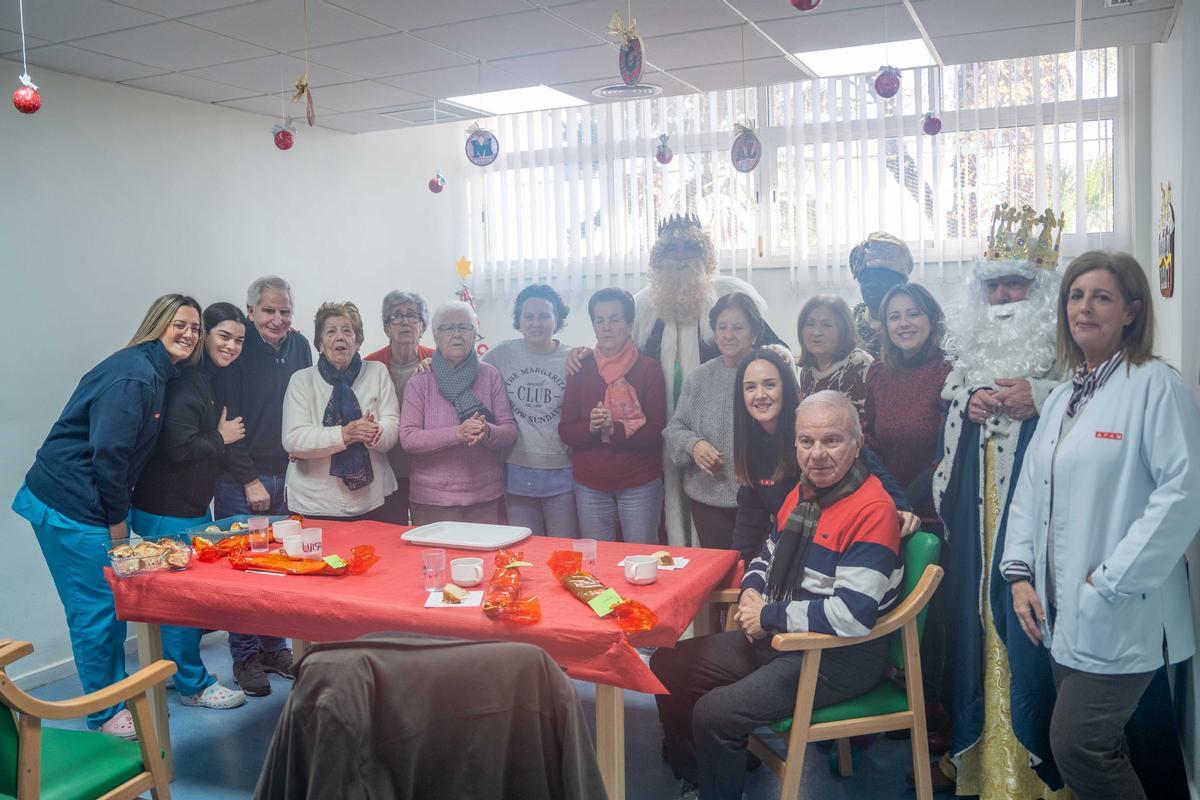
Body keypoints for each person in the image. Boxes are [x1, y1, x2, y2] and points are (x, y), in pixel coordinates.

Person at [1001, 251, 1200, 800]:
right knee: (1116, 747)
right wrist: (1019, 576)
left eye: (1101, 296)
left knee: (1079, 747)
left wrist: (1110, 580)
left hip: (1121, 605)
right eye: (1075, 295)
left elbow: (1182, 494)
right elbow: (1030, 493)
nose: (1083, 307)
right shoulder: (1064, 396)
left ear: (1132, 311)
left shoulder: (1155, 386)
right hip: (1061, 609)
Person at [652, 391, 903, 800]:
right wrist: (751, 592)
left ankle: (720, 777)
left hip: (837, 657)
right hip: (784, 638)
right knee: (667, 665)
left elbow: (854, 615)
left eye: (831, 440)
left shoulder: (874, 509)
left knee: (715, 714)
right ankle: (698, 777)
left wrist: (768, 615)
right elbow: (766, 554)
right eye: (806, 441)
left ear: (857, 445)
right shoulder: (803, 493)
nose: (816, 454)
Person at [12, 294, 202, 738]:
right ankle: (103, 714)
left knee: (109, 609)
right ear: (157, 323)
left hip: (84, 503)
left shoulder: (153, 371)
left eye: (195, 327)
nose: (189, 334)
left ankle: (117, 701)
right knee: (94, 611)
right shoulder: (135, 377)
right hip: (68, 507)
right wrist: (119, 521)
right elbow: (110, 456)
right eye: (180, 324)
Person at [932, 205, 1068, 797]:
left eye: (1018, 283)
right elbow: (951, 434)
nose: (1006, 295)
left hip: (1046, 531)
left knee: (1036, 629)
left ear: (1042, 292)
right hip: (982, 524)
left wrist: (1042, 396)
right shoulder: (965, 368)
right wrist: (970, 408)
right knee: (982, 625)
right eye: (995, 284)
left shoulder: (1069, 361)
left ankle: (1042, 777)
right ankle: (986, 766)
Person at [630, 213, 785, 546]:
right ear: (659, 257)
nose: (682, 256)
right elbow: (618, 358)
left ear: (704, 254)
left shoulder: (729, 299)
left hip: (727, 449)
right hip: (667, 431)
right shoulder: (643, 307)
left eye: (689, 247)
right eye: (672, 249)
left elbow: (773, 351)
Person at [130, 302, 251, 711]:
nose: (232, 346)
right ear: (205, 336)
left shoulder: (206, 379)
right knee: (183, 602)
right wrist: (223, 438)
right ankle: (194, 685)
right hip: (169, 506)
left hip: (180, 504)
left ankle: (173, 671)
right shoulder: (190, 381)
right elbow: (178, 447)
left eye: (239, 340)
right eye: (224, 336)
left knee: (177, 601)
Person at [731, 348, 917, 566]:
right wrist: (736, 564)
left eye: (770, 384)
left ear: (786, 387)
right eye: (750, 387)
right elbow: (751, 518)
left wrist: (902, 506)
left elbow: (867, 463)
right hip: (793, 546)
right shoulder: (751, 443)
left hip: (840, 547)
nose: (760, 394)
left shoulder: (810, 427)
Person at [215, 275, 311, 697]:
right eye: (269, 310)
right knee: (245, 571)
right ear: (251, 310)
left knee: (281, 568)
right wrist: (250, 478)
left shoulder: (300, 346)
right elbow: (226, 422)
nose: (277, 319)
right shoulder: (237, 349)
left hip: (288, 476)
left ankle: (275, 648)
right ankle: (245, 658)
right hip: (242, 480)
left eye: (285, 311)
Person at [560, 288, 667, 543]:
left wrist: (614, 428)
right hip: (590, 485)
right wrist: (592, 427)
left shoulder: (648, 368)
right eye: (599, 320)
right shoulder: (580, 366)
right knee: (599, 563)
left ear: (630, 325)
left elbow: (656, 433)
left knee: (641, 562)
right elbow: (565, 430)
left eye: (615, 320)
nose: (606, 327)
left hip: (639, 484)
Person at [398, 301, 517, 524]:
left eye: (464, 328)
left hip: (486, 497)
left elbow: (509, 430)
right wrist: (456, 434)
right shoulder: (420, 381)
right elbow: (409, 438)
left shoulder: (490, 375)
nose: (456, 335)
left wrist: (487, 431)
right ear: (435, 335)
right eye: (447, 328)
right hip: (432, 500)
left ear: (474, 334)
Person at [283, 302, 400, 521]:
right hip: (314, 502)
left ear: (357, 340)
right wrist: (346, 434)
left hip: (374, 498)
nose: (340, 337)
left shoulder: (377, 372)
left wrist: (374, 432)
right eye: (331, 331)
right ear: (320, 343)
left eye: (347, 330)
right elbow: (294, 438)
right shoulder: (301, 380)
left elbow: (392, 423)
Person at [664, 293, 763, 550]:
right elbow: (675, 428)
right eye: (722, 327)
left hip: (760, 499)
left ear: (754, 332)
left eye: (738, 327)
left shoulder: (769, 372)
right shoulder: (700, 377)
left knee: (755, 576)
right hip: (707, 500)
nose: (729, 335)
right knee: (718, 579)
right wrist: (694, 445)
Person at [481, 284, 578, 537]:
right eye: (529, 316)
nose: (536, 323)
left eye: (544, 316)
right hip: (515, 469)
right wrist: (429, 362)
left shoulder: (572, 357)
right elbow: (467, 370)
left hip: (561, 469)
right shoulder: (501, 354)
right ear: (519, 320)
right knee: (525, 550)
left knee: (562, 548)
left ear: (557, 320)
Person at [863, 283, 951, 534]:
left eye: (913, 314)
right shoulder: (878, 371)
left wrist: (905, 500)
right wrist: (891, 499)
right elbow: (868, 439)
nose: (903, 323)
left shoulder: (950, 371)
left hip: (935, 513)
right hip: (886, 506)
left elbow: (949, 452)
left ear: (932, 319)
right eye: (894, 317)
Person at [365, 290, 434, 525]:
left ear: (423, 326)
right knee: (391, 534)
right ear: (386, 328)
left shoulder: (438, 362)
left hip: (426, 469)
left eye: (412, 315)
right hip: (385, 467)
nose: (405, 321)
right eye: (396, 316)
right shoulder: (370, 365)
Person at [796, 294, 873, 420]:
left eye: (826, 325)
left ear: (843, 329)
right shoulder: (807, 371)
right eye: (810, 324)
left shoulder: (858, 363)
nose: (816, 332)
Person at [849, 232, 912, 358]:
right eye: (865, 278)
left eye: (880, 277)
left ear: (901, 282)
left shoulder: (917, 322)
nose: (871, 285)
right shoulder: (848, 320)